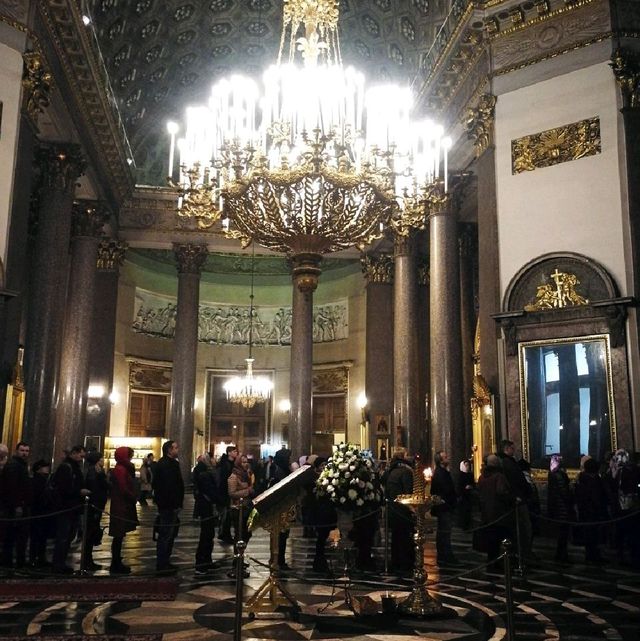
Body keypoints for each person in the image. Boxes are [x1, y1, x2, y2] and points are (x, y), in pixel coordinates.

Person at [52, 445, 90, 573]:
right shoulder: (66, 467)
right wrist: (79, 491)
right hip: (65, 507)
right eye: (81, 455)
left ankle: (62, 562)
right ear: (74, 453)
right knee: (63, 536)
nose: (82, 458)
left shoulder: (74, 467)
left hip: (73, 507)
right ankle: (58, 564)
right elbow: (63, 488)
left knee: (69, 536)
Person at [476, 454, 515, 571]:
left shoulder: (482, 477)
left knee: (491, 540)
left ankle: (491, 563)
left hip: (487, 514)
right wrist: (512, 499)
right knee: (500, 540)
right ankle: (498, 564)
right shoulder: (499, 476)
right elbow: (502, 492)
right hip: (499, 514)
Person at [497, 439, 533, 561]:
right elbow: (517, 481)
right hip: (517, 499)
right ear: (506, 449)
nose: (515, 450)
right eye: (512, 448)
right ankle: (522, 553)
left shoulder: (506, 462)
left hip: (516, 498)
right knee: (522, 528)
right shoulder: (508, 463)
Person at [153, 440, 184, 573]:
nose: (178, 450)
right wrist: (175, 504)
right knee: (166, 534)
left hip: (170, 504)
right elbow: (169, 487)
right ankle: (162, 563)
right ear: (169, 450)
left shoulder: (171, 463)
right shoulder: (166, 465)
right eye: (175, 448)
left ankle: (165, 561)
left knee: (170, 534)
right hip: (168, 505)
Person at [382, 447, 414, 574]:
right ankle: (405, 563)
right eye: (407, 454)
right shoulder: (405, 472)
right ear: (402, 457)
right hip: (402, 511)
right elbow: (408, 492)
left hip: (393, 510)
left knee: (396, 538)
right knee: (404, 538)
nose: (409, 456)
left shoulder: (391, 470)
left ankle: (396, 562)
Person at [1, 441, 31, 568]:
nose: (24, 453)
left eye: (26, 451)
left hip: (20, 505)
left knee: (20, 536)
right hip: (14, 507)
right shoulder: (14, 465)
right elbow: (13, 487)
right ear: (16, 451)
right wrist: (18, 505)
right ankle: (11, 562)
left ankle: (18, 561)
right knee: (12, 535)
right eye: (22, 450)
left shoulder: (21, 465)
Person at [108, 447, 139, 574]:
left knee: (120, 535)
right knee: (118, 535)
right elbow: (123, 488)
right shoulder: (121, 470)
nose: (131, 458)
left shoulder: (122, 468)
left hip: (122, 504)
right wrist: (132, 497)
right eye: (129, 455)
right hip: (121, 505)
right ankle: (115, 562)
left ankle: (117, 560)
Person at [192, 452, 222, 575]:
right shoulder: (205, 474)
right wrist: (217, 500)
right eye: (212, 458)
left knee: (209, 535)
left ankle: (207, 560)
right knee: (206, 535)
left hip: (208, 505)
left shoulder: (208, 472)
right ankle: (200, 563)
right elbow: (210, 491)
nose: (214, 460)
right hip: (206, 506)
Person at [575, 457, 608, 564]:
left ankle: (591, 555)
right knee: (593, 535)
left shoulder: (581, 480)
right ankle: (593, 556)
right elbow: (598, 497)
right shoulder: (594, 481)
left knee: (591, 536)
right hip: (593, 512)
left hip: (585, 512)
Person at [227, 454, 254, 579]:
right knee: (239, 535)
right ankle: (236, 561)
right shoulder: (233, 476)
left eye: (246, 462)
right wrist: (247, 491)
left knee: (246, 533)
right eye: (243, 462)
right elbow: (232, 493)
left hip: (247, 508)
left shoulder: (246, 475)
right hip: (238, 509)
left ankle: (241, 559)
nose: (245, 464)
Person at [308, 457, 337, 573]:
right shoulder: (315, 479)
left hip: (328, 512)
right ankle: (319, 562)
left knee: (327, 537)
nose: (324, 467)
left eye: (325, 464)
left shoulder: (328, 477)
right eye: (321, 465)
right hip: (320, 513)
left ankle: (323, 561)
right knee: (321, 538)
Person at [431, 450, 459, 567]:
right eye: (445, 457)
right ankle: (445, 556)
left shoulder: (442, 472)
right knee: (444, 533)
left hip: (445, 507)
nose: (448, 458)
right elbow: (444, 490)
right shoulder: (440, 473)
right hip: (444, 507)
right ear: (441, 461)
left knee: (443, 532)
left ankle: (444, 556)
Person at [547, 454, 575, 565]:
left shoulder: (552, 474)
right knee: (563, 534)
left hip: (557, 508)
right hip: (562, 508)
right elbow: (564, 492)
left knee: (561, 534)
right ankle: (562, 555)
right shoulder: (559, 475)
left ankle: (560, 554)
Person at [83, 451, 109, 571]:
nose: (103, 460)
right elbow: (101, 487)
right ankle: (87, 561)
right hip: (94, 506)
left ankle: (88, 560)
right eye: (102, 458)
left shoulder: (94, 471)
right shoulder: (96, 473)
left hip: (96, 505)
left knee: (91, 533)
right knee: (90, 534)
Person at [29, 459, 54, 567]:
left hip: (43, 512)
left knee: (41, 537)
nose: (47, 468)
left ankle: (39, 558)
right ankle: (35, 558)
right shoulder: (37, 481)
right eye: (45, 466)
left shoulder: (43, 480)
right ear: (39, 468)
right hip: (39, 512)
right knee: (37, 537)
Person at [273, 447, 292, 570]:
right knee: (281, 536)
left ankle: (281, 560)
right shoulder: (279, 471)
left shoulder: (283, 470)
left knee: (283, 536)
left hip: (285, 508)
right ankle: (279, 560)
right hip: (280, 509)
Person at [217, 445, 238, 545]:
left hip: (228, 492)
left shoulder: (230, 463)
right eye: (234, 451)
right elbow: (224, 479)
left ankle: (226, 534)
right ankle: (225, 534)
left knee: (228, 516)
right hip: (225, 492)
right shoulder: (226, 464)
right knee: (226, 516)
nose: (236, 453)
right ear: (229, 453)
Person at [457, 458, 476, 531]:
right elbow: (459, 486)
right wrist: (464, 488)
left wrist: (471, 486)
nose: (468, 467)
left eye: (468, 465)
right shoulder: (461, 475)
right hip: (463, 497)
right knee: (464, 512)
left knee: (469, 512)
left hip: (469, 496)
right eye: (466, 465)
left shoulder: (470, 475)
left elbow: (473, 484)